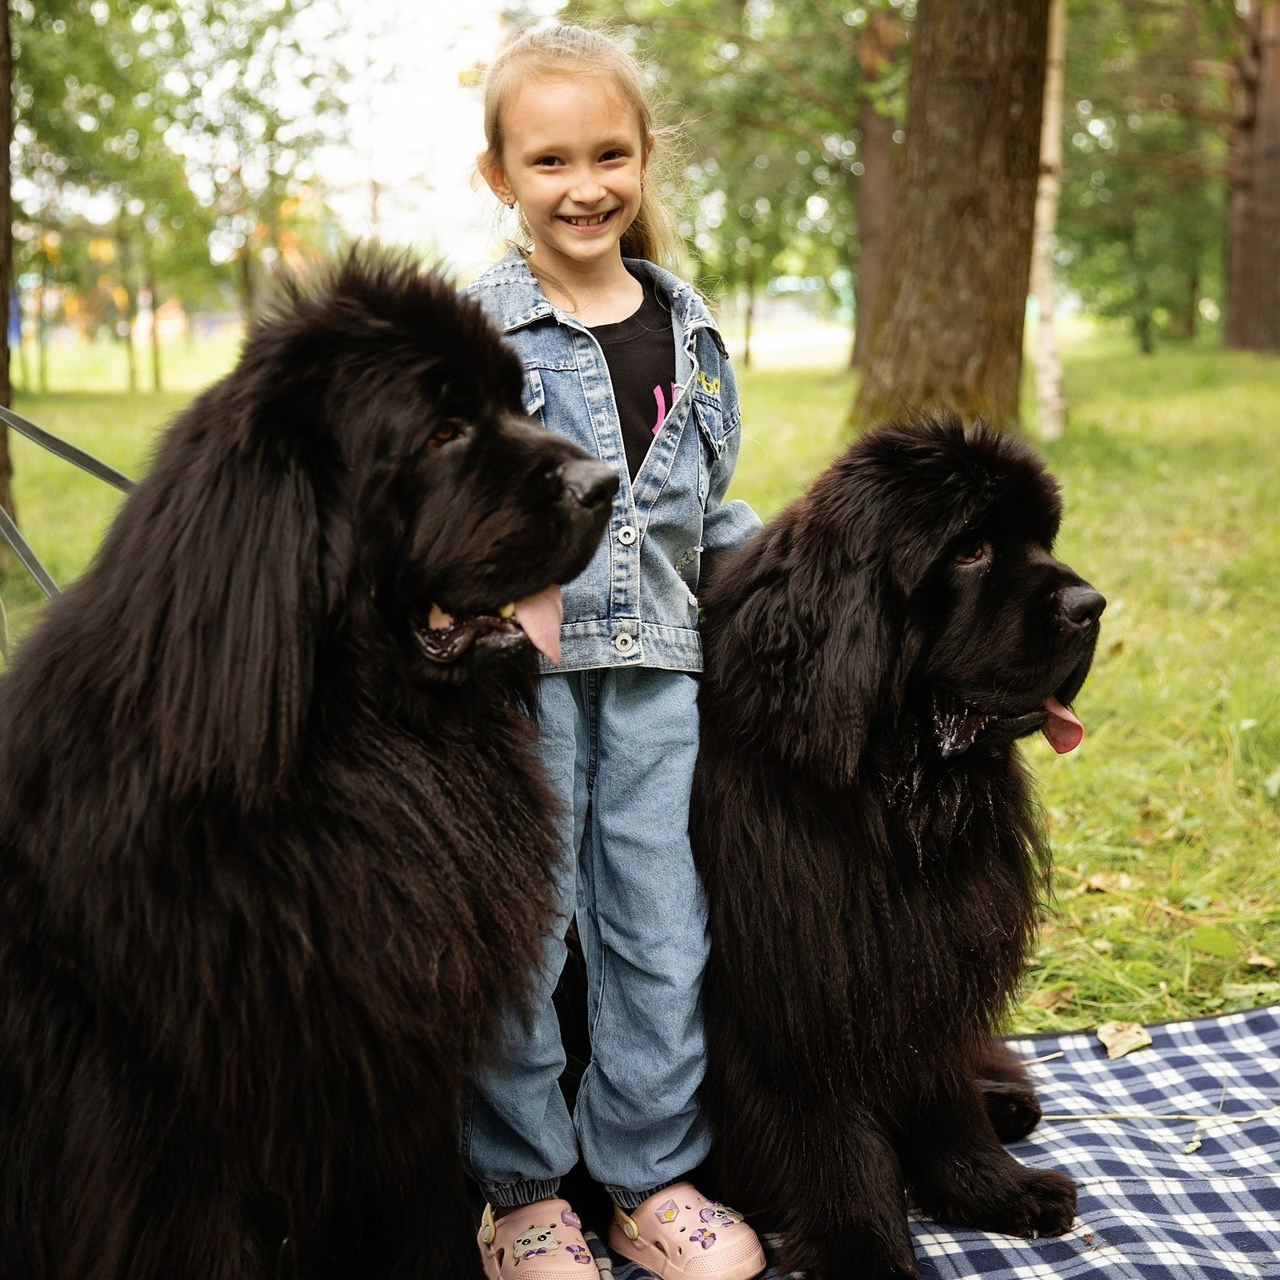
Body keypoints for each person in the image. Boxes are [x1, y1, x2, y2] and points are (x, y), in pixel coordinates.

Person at [462, 22, 767, 1280]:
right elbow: (449, 504)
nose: (582, 185)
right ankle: (521, 1191)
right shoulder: (479, 328)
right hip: (517, 685)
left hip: (658, 682)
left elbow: (711, 507)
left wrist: (768, 588)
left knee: (660, 923)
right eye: (548, 161)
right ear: (499, 177)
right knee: (525, 932)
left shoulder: (689, 328)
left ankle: (651, 1174)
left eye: (607, 154)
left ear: (645, 159)